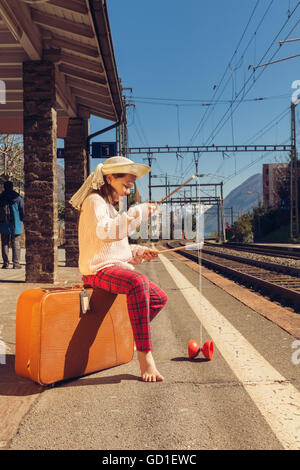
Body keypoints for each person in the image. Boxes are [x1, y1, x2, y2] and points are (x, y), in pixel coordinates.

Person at [69, 156, 168, 382]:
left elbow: (114, 246)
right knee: (138, 283)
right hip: (97, 270)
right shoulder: (94, 201)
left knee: (158, 298)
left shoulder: (109, 207)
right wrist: (138, 213)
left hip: (111, 267)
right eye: (125, 186)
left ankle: (125, 338)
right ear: (110, 178)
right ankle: (145, 357)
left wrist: (139, 252)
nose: (126, 192)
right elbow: (107, 233)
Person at [0, 181, 24, 269]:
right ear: (12, 187)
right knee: (16, 242)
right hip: (15, 223)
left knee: (4, 243)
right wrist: (22, 219)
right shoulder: (17, 197)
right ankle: (16, 263)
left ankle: (6, 263)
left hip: (3, 223)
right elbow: (22, 210)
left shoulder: (1, 197)